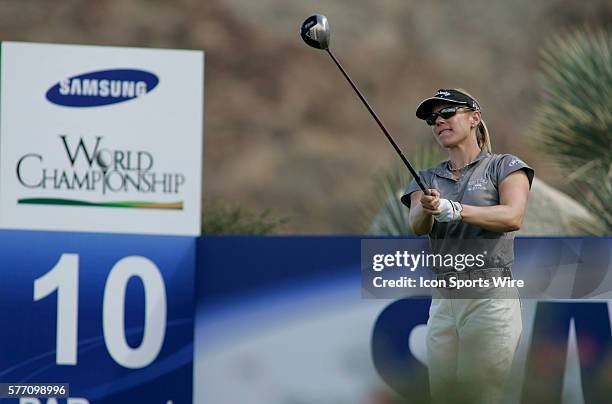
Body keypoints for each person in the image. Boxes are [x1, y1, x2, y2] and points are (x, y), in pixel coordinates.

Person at [402, 88, 534, 404]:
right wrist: (427, 207)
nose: (439, 122)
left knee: (482, 397)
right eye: (433, 119)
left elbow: (513, 216)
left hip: (489, 295)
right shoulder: (427, 177)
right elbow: (417, 226)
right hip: (444, 299)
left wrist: (457, 210)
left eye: (447, 114)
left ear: (474, 118)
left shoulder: (505, 166)